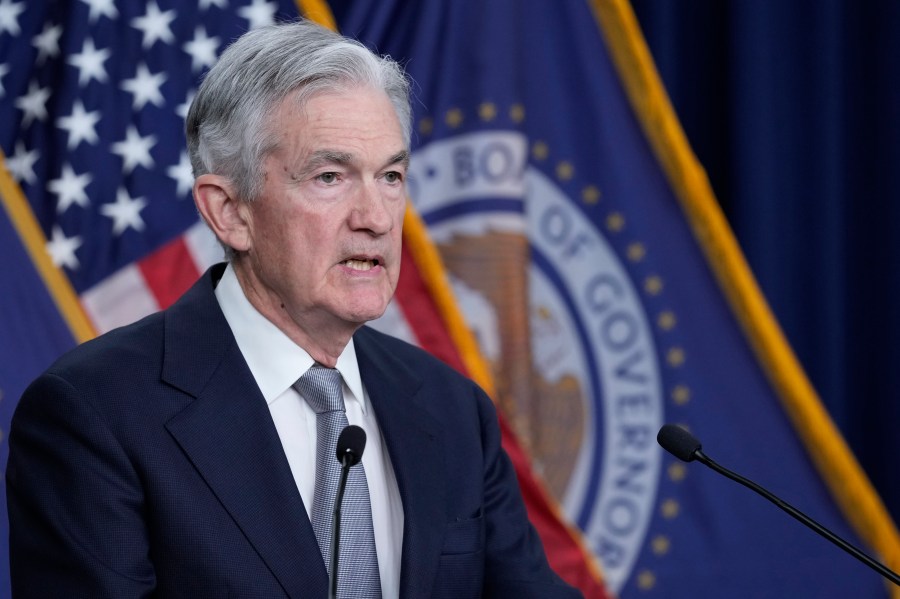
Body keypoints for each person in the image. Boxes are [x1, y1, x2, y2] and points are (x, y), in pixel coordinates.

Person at [6, 19, 582, 599]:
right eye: (330, 176)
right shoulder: (96, 415)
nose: (377, 218)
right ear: (230, 211)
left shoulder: (453, 410)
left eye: (390, 176)